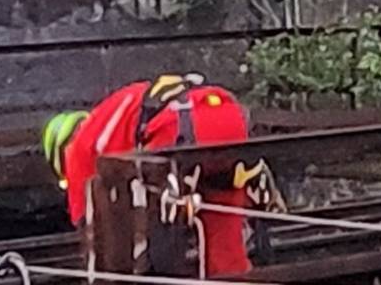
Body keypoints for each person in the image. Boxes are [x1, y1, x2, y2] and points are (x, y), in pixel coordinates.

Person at [42, 73, 270, 278]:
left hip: (178, 132)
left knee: (155, 239)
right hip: (228, 116)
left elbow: (91, 229)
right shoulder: (116, 112)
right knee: (224, 241)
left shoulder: (78, 149)